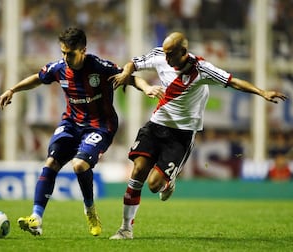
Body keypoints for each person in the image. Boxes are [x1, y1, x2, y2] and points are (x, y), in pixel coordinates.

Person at [109, 31, 288, 240]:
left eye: (171, 55)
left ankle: (169, 181)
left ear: (183, 52)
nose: (166, 59)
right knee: (138, 170)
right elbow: (133, 63)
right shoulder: (160, 55)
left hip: (181, 135)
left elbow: (233, 81)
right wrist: (126, 75)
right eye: (165, 53)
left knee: (154, 184)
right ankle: (125, 229)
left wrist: (262, 92)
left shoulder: (202, 69)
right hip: (156, 125)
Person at [0, 27, 125, 237]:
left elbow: (128, 77)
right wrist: (12, 90)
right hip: (71, 123)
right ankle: (36, 219)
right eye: (63, 53)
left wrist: (146, 87)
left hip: (100, 125)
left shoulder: (100, 67)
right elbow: (38, 78)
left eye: (70, 53)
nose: (65, 58)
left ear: (83, 50)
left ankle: (90, 209)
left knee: (79, 165)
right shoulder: (59, 68)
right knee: (50, 163)